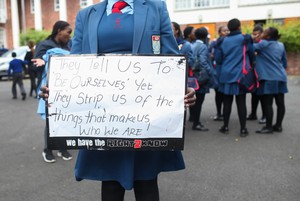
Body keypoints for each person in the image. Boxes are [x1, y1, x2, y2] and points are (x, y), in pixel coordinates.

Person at [39, 1, 196, 200]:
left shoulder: (156, 7)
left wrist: (182, 87)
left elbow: (171, 56)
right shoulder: (86, 15)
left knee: (147, 182)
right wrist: (58, 89)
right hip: (104, 117)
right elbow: (75, 62)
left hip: (146, 113)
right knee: (110, 183)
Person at [33, 20, 73, 163]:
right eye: (68, 32)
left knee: (65, 119)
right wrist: (43, 63)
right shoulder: (44, 45)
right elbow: (35, 65)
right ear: (59, 30)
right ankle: (47, 149)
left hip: (67, 88)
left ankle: (62, 148)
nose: (69, 36)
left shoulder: (69, 45)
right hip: (49, 88)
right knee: (51, 120)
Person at [215, 18, 255, 137]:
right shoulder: (245, 38)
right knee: (241, 103)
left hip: (226, 74)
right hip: (240, 75)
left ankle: (225, 127)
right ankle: (243, 129)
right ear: (239, 27)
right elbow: (252, 54)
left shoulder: (222, 41)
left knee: (227, 102)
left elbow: (218, 59)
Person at [254, 27, 288, 134]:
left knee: (267, 103)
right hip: (281, 76)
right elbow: (284, 62)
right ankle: (278, 126)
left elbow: (250, 47)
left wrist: (256, 38)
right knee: (280, 103)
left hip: (269, 77)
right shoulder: (281, 45)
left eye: (264, 32)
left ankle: (268, 127)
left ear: (268, 36)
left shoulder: (263, 44)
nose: (262, 33)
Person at [190, 27, 214, 131]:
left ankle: (192, 118)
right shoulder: (203, 46)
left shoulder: (192, 45)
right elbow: (203, 61)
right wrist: (210, 71)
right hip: (201, 77)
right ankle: (196, 123)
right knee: (199, 101)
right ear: (205, 36)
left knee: (193, 99)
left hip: (193, 76)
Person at [247, 24, 266, 124]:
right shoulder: (253, 44)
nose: (255, 36)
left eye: (257, 34)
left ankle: (264, 116)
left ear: (262, 34)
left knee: (263, 97)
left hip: (262, 74)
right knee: (254, 96)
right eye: (253, 34)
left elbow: (252, 48)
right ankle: (253, 114)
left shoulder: (263, 43)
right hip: (254, 73)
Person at [209, 25, 229, 121]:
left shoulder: (229, 42)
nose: (226, 32)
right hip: (217, 70)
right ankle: (219, 112)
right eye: (224, 30)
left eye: (227, 30)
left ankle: (225, 114)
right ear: (220, 32)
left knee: (225, 94)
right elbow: (209, 53)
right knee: (218, 94)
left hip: (225, 70)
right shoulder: (214, 43)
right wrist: (212, 55)